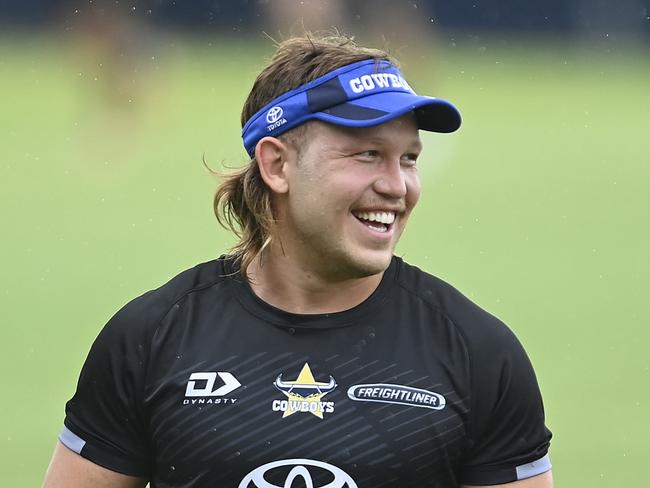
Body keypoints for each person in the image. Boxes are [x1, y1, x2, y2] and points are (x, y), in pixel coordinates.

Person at [43, 35, 553, 488]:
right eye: (368, 154)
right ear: (276, 165)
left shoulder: (477, 353)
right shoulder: (152, 339)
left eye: (409, 158)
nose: (397, 186)